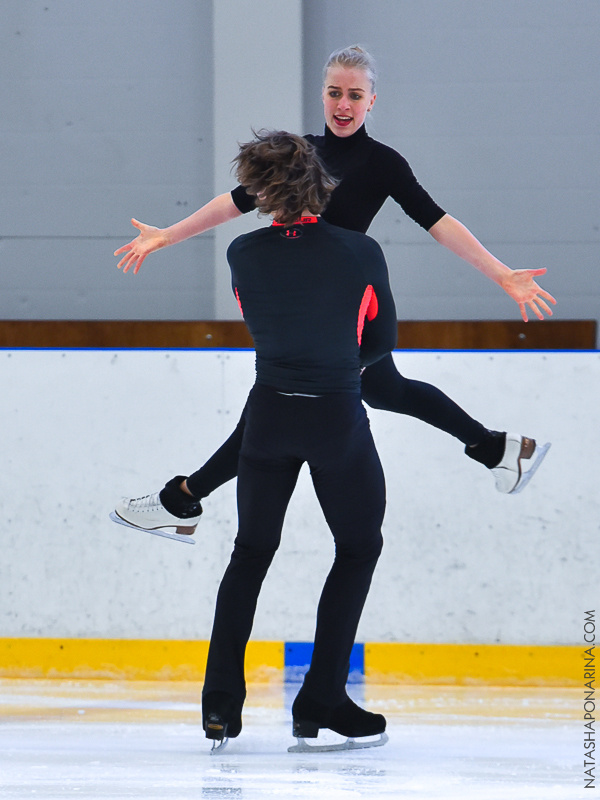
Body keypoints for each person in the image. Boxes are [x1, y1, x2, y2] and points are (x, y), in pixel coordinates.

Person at [112, 45, 555, 539]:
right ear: (322, 96)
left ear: (372, 102)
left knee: (273, 416)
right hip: (304, 308)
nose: (344, 105)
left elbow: (437, 220)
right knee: (383, 390)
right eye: (334, 93)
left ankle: (181, 501)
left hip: (338, 312)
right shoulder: (300, 153)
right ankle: (496, 449)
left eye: (355, 95)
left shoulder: (382, 162)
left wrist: (501, 274)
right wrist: (168, 234)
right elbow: (236, 201)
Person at [200, 130, 396, 751]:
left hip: (269, 416)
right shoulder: (359, 251)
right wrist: (338, 363)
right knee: (358, 547)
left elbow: (260, 321)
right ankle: (321, 698)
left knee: (251, 553)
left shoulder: (242, 253)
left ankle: (220, 706)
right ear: (320, 183)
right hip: (335, 414)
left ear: (258, 189)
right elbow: (380, 342)